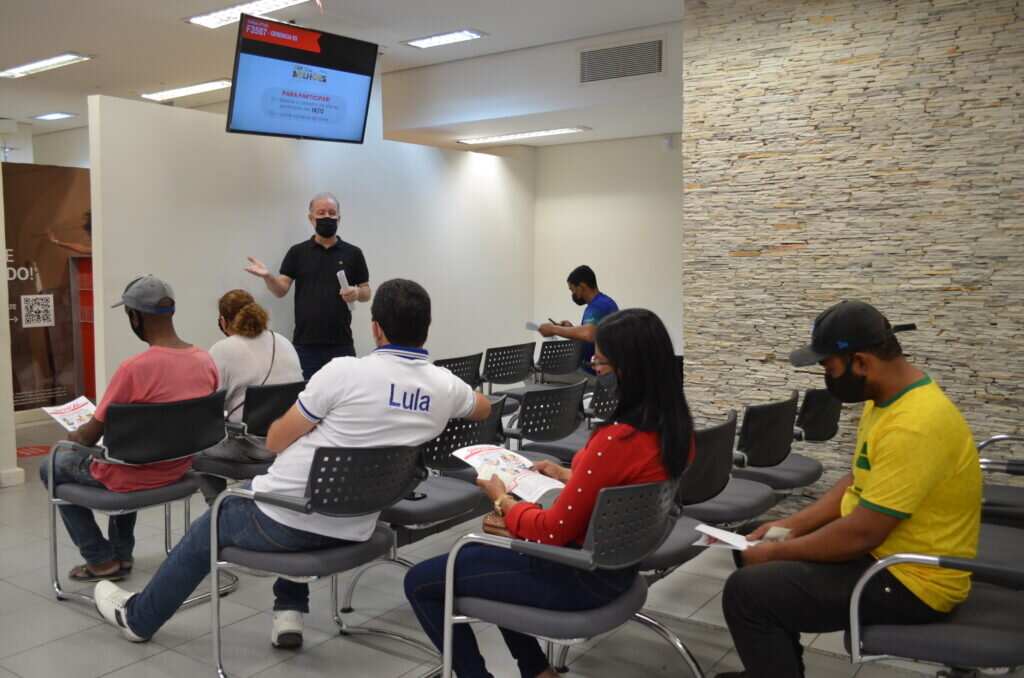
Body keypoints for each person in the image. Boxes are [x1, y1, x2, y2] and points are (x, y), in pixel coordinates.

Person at [93, 279, 492, 650]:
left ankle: (139, 618)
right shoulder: (445, 386)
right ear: (429, 324)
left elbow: (279, 439)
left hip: (288, 522)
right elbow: (483, 407)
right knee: (291, 488)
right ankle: (288, 611)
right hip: (356, 522)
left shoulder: (345, 372)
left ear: (375, 329)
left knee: (217, 518)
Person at [404, 308, 693, 678]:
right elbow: (625, 484)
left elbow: (552, 531)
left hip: (576, 576)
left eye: (600, 362)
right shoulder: (675, 430)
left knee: (420, 582)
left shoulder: (614, 441)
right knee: (484, 552)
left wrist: (501, 498)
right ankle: (538, 671)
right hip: (619, 567)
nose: (594, 368)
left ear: (626, 369)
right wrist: (569, 473)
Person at [717, 300, 981, 678]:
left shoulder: (913, 425)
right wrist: (789, 527)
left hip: (910, 581)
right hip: (882, 553)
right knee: (749, 542)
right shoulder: (888, 400)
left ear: (861, 362)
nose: (826, 378)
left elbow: (863, 532)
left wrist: (778, 553)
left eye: (828, 368)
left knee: (747, 592)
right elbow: (856, 482)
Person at [39, 275, 219, 582]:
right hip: (177, 469)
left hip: (132, 473)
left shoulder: (134, 369)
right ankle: (121, 553)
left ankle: (99, 559)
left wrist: (76, 433)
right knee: (129, 452)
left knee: (51, 465)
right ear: (171, 311)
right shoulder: (205, 361)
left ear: (134, 317)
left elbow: (89, 437)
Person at [243, 192, 370, 380]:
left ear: (339, 218)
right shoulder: (297, 253)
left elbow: (367, 292)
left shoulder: (353, 253)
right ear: (311, 219)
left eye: (331, 213)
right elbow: (280, 290)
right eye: (321, 213)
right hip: (306, 346)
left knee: (344, 401)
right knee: (306, 400)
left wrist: (357, 292)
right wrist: (268, 276)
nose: (327, 217)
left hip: (342, 343)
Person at [195, 289, 303, 502]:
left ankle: (218, 510)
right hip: (290, 441)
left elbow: (207, 408)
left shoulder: (223, 349)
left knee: (193, 446)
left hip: (252, 448)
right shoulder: (282, 341)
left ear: (224, 321)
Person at [537, 265, 618, 379]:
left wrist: (553, 329)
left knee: (534, 373)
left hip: (592, 373)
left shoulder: (596, 307)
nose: (572, 294)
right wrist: (570, 328)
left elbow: (589, 334)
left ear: (581, 287)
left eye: (572, 290)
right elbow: (595, 335)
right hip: (608, 373)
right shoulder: (608, 302)